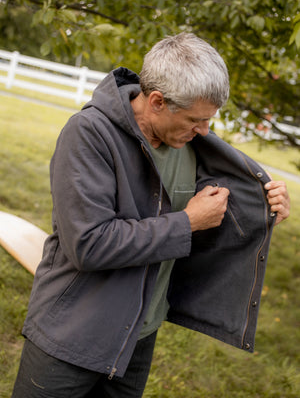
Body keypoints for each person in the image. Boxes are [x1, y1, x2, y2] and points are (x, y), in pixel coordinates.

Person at [12, 32, 290, 398]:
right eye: (196, 120)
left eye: (209, 120)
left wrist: (265, 206)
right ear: (157, 101)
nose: (205, 132)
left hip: (138, 339)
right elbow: (89, 245)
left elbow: (213, 222)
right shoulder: (89, 135)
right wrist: (187, 222)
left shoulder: (189, 143)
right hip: (71, 336)